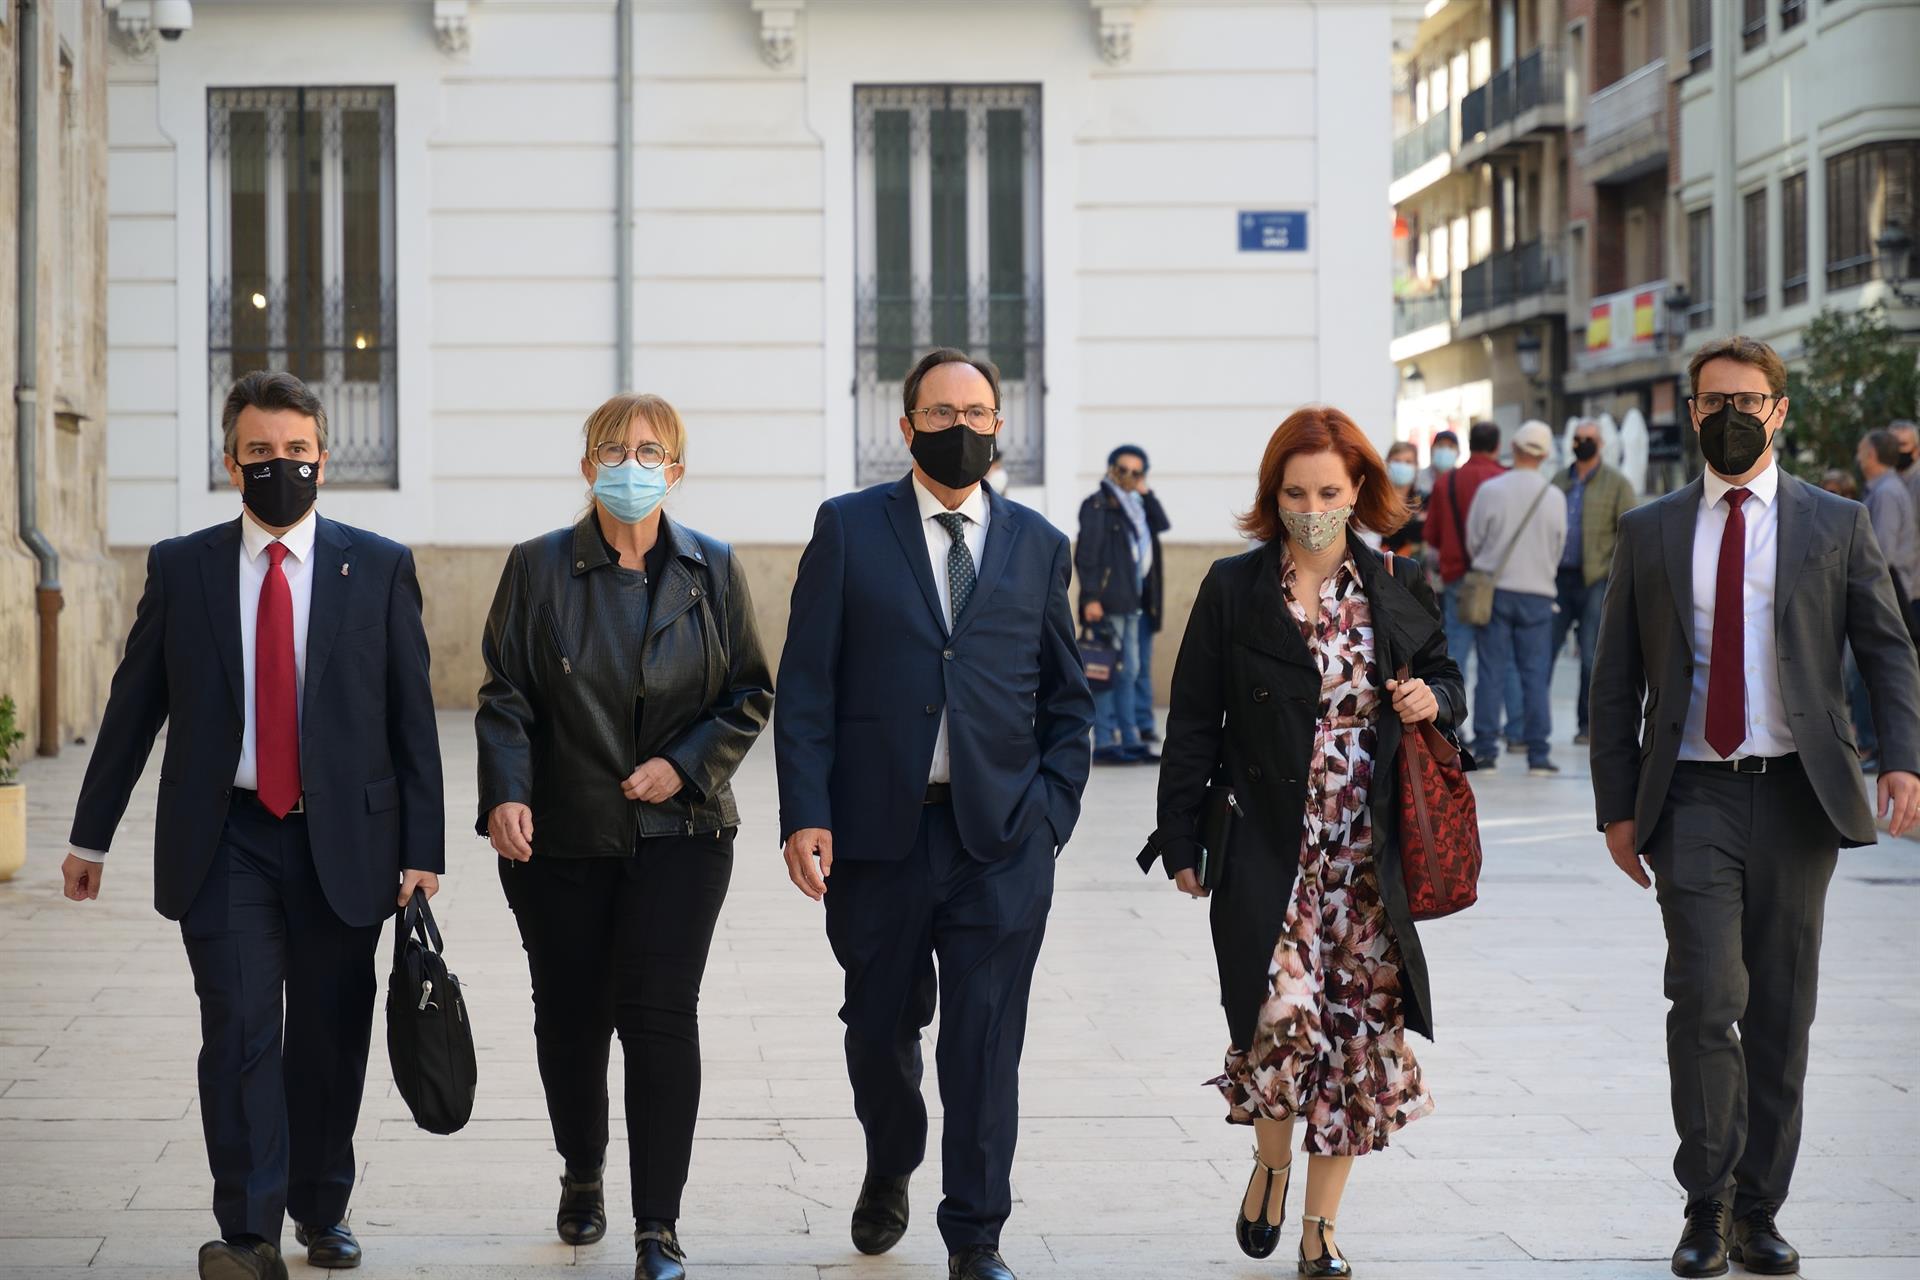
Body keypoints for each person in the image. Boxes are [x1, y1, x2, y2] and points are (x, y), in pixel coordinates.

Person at [60, 371, 445, 1280]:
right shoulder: (183, 566)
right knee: (237, 1030)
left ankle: (322, 1208)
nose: (282, 467)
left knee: (328, 1035)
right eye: (262, 453)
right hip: (225, 837)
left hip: (342, 843)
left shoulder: (378, 565)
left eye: (298, 453)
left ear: (323, 460)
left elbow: (412, 718)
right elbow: (132, 709)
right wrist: (90, 837)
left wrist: (422, 850)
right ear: (231, 463)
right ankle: (248, 1231)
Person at [1589, 336, 1920, 1280]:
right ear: (1692, 414)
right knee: (1704, 998)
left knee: (1779, 1011)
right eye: (1711, 400)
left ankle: (1759, 1211)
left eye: (1747, 398)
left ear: (1780, 409)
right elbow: (1614, 680)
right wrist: (1618, 804)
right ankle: (1705, 1205)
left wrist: (1903, 760)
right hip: (1690, 790)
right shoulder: (1651, 529)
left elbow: (1889, 652)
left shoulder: (1836, 522)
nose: (1728, 414)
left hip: (1798, 799)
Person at [774, 348, 1094, 1280]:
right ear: (906, 425)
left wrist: (1051, 812)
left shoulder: (1038, 544)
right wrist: (804, 813)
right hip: (880, 833)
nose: (963, 426)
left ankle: (976, 1234)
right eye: (942, 411)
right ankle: (891, 1157)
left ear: (1001, 426)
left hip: (1000, 839)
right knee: (879, 1026)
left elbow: (1066, 698)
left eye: (979, 411)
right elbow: (805, 689)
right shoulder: (847, 529)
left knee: (985, 1040)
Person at [1141, 405, 1462, 1279]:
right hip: (1268, 852)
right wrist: (1179, 840)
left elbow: (1447, 685)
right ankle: (1272, 1163)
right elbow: (1194, 724)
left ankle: (1321, 1229)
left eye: (1329, 489)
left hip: (1367, 862)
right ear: (1271, 496)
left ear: (1358, 489)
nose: (1313, 505)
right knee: (1277, 1030)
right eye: (1295, 492)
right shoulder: (1232, 589)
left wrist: (1433, 699)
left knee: (1357, 1043)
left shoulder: (1399, 586)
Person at [475, 393, 773, 1280]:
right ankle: (582, 1169)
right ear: (586, 465)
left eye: (651, 451)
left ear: (676, 471)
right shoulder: (536, 569)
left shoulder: (712, 570)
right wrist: (506, 794)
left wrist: (685, 764)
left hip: (682, 832)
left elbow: (750, 692)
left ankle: (658, 1226)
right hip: (561, 836)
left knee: (658, 1017)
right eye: (614, 448)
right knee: (570, 1018)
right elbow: (505, 696)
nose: (631, 464)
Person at [1466, 421, 1568, 775]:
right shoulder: (1555, 497)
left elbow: (1474, 539)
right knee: (1535, 674)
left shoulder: (1491, 490)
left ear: (1514, 446)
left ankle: (1486, 749)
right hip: (1539, 594)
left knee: (1491, 671)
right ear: (1545, 455)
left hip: (1496, 591)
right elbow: (1558, 547)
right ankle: (1538, 753)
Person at [1424, 420, 1524, 753]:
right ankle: (1514, 730)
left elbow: (1433, 536)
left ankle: (1454, 726)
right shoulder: (1507, 481)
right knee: (1501, 658)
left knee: (1455, 656)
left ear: (1469, 444)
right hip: (1499, 581)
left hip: (1457, 581)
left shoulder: (1447, 481)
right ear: (1497, 446)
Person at [1076, 445, 1164, 763]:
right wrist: (1090, 598)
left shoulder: (1133, 506)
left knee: (1130, 672)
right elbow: (1086, 556)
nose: (1130, 476)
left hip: (1131, 601)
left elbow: (1161, 523)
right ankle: (1103, 742)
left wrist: (1145, 490)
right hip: (1108, 601)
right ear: (1112, 469)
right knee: (1105, 672)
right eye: (1124, 470)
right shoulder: (1098, 505)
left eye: (1137, 472)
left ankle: (1129, 738)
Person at [1552, 419, 1637, 746]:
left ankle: (1587, 726)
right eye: (1577, 438)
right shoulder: (1560, 480)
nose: (1582, 443)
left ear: (1600, 444)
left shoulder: (1616, 483)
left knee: (1591, 655)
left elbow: (1631, 533)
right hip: (1559, 578)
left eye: (1588, 439)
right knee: (1542, 654)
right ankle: (1531, 730)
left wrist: (1616, 572)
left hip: (1596, 580)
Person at [1382, 440, 1427, 556]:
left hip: (1417, 567)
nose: (1402, 466)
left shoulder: (1424, 500)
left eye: (1408, 462)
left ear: (1416, 466)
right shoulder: (1377, 499)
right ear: (1387, 463)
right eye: (1397, 461)